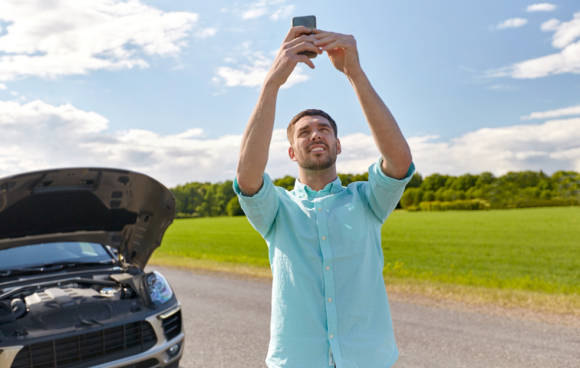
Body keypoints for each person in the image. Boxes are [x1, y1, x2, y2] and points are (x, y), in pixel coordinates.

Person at [234, 25, 415, 368]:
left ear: (338, 145)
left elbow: (400, 162)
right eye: (304, 132)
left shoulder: (366, 201)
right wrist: (272, 83)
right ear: (291, 152)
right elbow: (247, 177)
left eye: (324, 129)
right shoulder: (277, 210)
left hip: (367, 360)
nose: (315, 134)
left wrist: (354, 73)